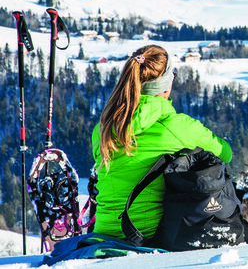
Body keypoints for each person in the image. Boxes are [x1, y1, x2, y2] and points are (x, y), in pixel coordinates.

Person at [91, 45, 232, 240]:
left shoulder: (103, 128)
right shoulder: (179, 127)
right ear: (167, 84)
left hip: (102, 233)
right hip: (147, 236)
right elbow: (225, 153)